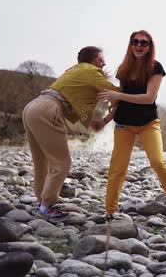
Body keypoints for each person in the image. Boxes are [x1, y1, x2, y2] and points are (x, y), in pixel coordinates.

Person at [95, 30, 166, 221]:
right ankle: (110, 211)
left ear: (150, 47)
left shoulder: (155, 67)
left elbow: (148, 98)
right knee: (117, 168)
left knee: (157, 161)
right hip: (123, 124)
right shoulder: (123, 69)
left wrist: (118, 95)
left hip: (148, 123)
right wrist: (104, 120)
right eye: (135, 41)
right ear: (130, 44)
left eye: (144, 43)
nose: (139, 45)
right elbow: (119, 102)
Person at [22, 46, 119, 222]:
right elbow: (116, 92)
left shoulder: (76, 71)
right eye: (100, 59)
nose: (103, 63)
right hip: (48, 109)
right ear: (90, 60)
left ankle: (42, 204)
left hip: (33, 106)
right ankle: (46, 206)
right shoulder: (90, 70)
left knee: (41, 162)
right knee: (62, 164)